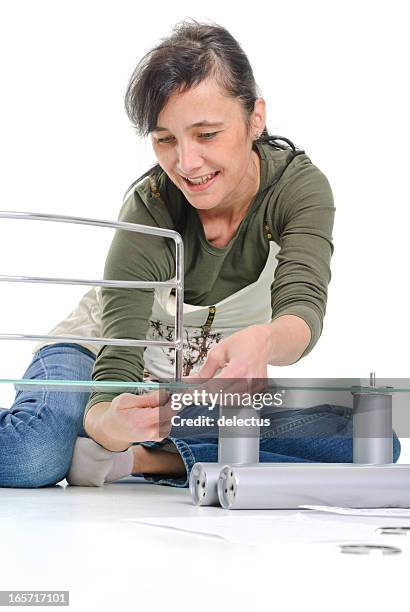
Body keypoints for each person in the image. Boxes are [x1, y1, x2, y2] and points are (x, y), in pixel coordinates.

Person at [0, 20, 400, 489]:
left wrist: (264, 342)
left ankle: (140, 461)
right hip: (95, 354)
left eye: (207, 134)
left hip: (191, 389)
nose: (186, 165)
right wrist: (106, 422)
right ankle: (82, 438)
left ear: (256, 117)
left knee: (370, 441)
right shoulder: (151, 204)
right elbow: (117, 356)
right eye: (165, 139)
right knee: (32, 457)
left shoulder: (298, 189)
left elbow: (303, 308)